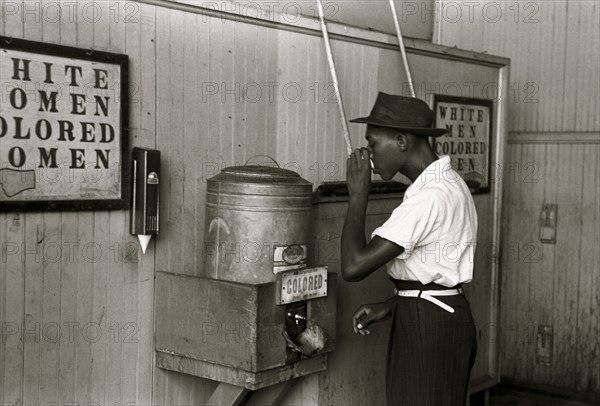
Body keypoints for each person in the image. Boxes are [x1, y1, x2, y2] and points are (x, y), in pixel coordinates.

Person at [341, 92, 478, 406]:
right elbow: (437, 272)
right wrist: (393, 304)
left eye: (373, 143)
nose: (369, 154)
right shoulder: (449, 183)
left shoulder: (429, 197)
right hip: (441, 314)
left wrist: (358, 196)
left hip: (428, 326)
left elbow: (353, 266)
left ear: (402, 141)